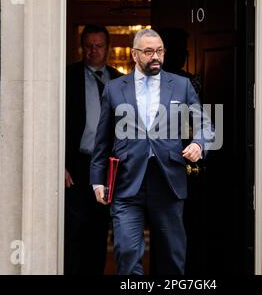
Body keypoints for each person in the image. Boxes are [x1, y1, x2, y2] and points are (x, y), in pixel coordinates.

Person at [90, 29, 213, 275]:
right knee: (125, 252)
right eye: (148, 52)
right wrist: (97, 181)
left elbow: (205, 124)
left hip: (168, 182)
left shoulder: (181, 85)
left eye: (159, 51)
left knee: (172, 255)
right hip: (127, 182)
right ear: (134, 55)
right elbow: (102, 140)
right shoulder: (115, 89)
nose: (155, 56)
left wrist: (199, 144)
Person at [65, 25, 123, 275]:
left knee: (100, 230)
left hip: (110, 164)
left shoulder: (120, 80)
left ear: (107, 48)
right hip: (77, 163)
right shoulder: (67, 77)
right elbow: (55, 121)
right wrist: (61, 163)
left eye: (99, 46)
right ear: (81, 48)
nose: (93, 51)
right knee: (75, 228)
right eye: (88, 46)